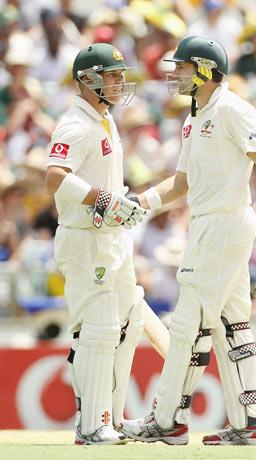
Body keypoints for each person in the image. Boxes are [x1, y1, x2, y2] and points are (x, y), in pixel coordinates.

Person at [122, 35, 256, 446]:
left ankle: (168, 421)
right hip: (206, 225)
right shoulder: (194, 117)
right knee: (233, 324)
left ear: (206, 69)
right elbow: (182, 183)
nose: (177, 74)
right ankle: (250, 421)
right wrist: (142, 201)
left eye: (184, 67)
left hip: (223, 225)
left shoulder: (234, 109)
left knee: (188, 324)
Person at [45, 42, 152, 445]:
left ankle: (113, 415)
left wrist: (118, 203)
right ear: (88, 79)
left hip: (111, 236)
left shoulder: (104, 119)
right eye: (112, 75)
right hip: (85, 239)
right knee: (101, 327)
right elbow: (54, 176)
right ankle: (92, 423)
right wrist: (104, 200)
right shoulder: (75, 124)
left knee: (129, 322)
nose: (121, 82)